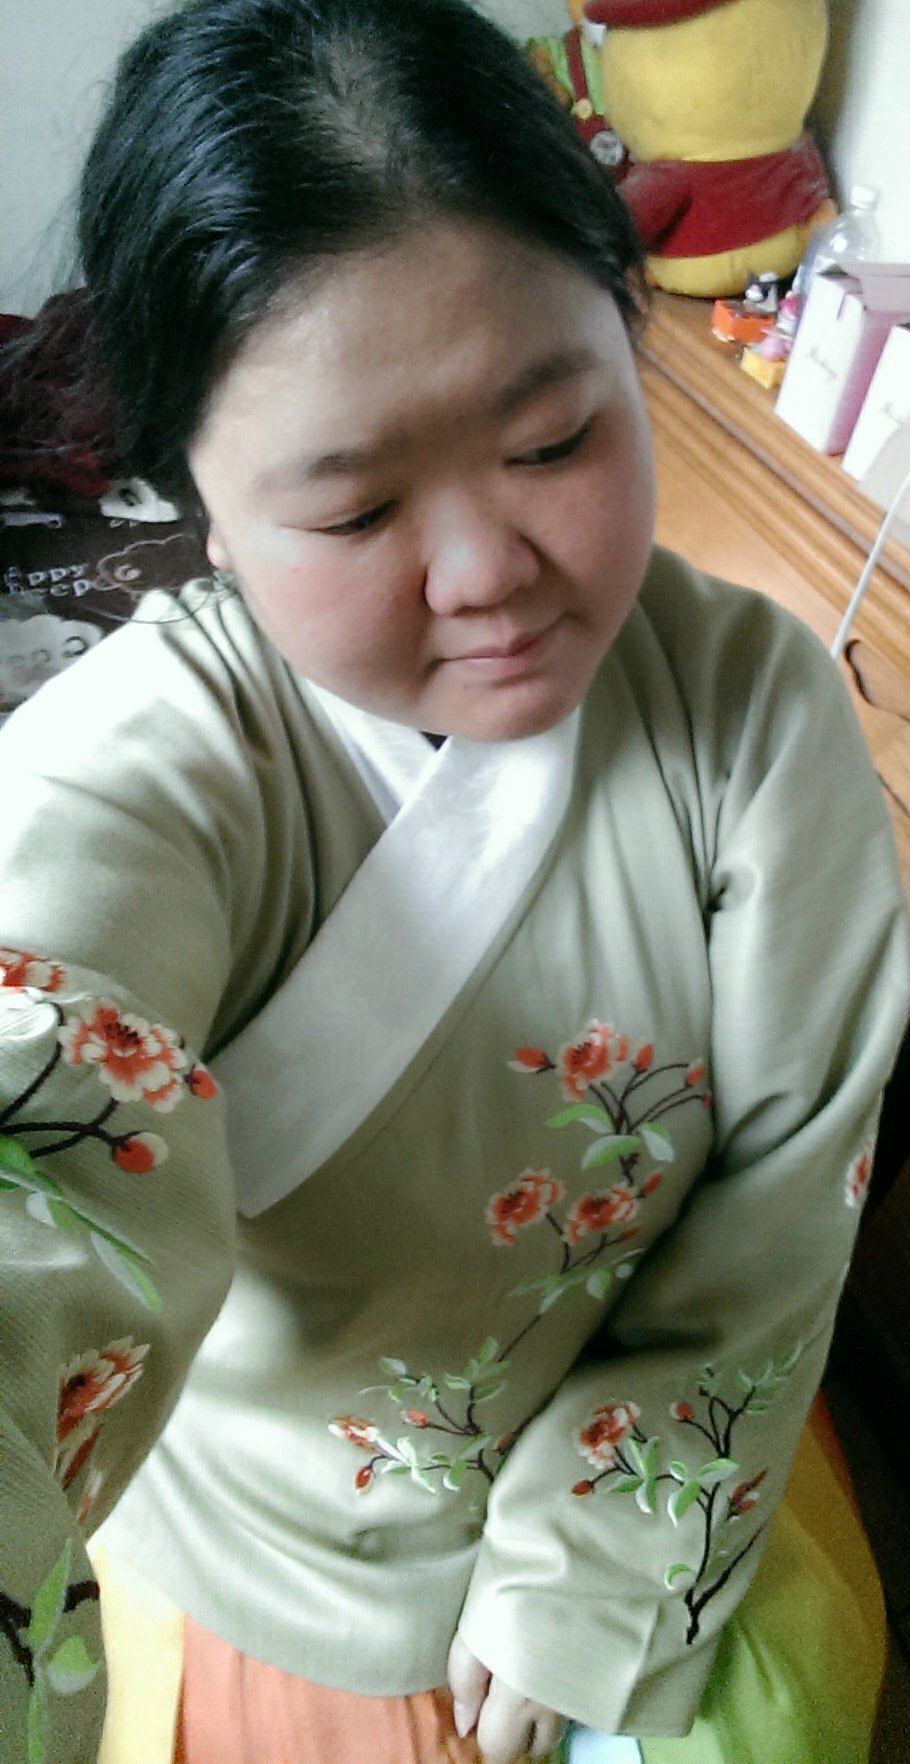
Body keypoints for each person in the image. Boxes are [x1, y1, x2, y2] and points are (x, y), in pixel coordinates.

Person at [0, 2, 907, 1761]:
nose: (488, 570)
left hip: (651, 1475)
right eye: (353, 514)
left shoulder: (754, 714)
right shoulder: (138, 771)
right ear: (200, 496)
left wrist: (601, 1568)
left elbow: (789, 1193)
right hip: (275, 1567)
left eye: (554, 441)